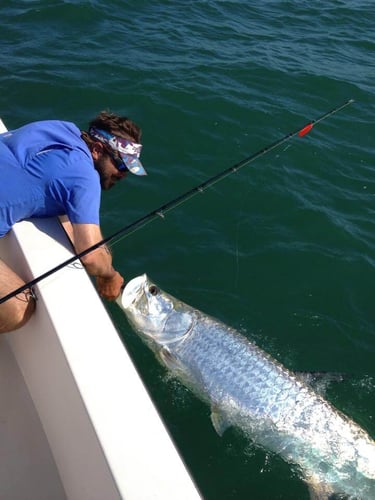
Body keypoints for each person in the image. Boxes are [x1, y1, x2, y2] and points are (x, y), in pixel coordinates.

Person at [0, 111, 146, 333]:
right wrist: (109, 275)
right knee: (19, 308)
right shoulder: (84, 177)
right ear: (97, 150)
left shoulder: (60, 128)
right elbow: (90, 256)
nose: (123, 175)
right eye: (121, 165)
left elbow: (49, 183)